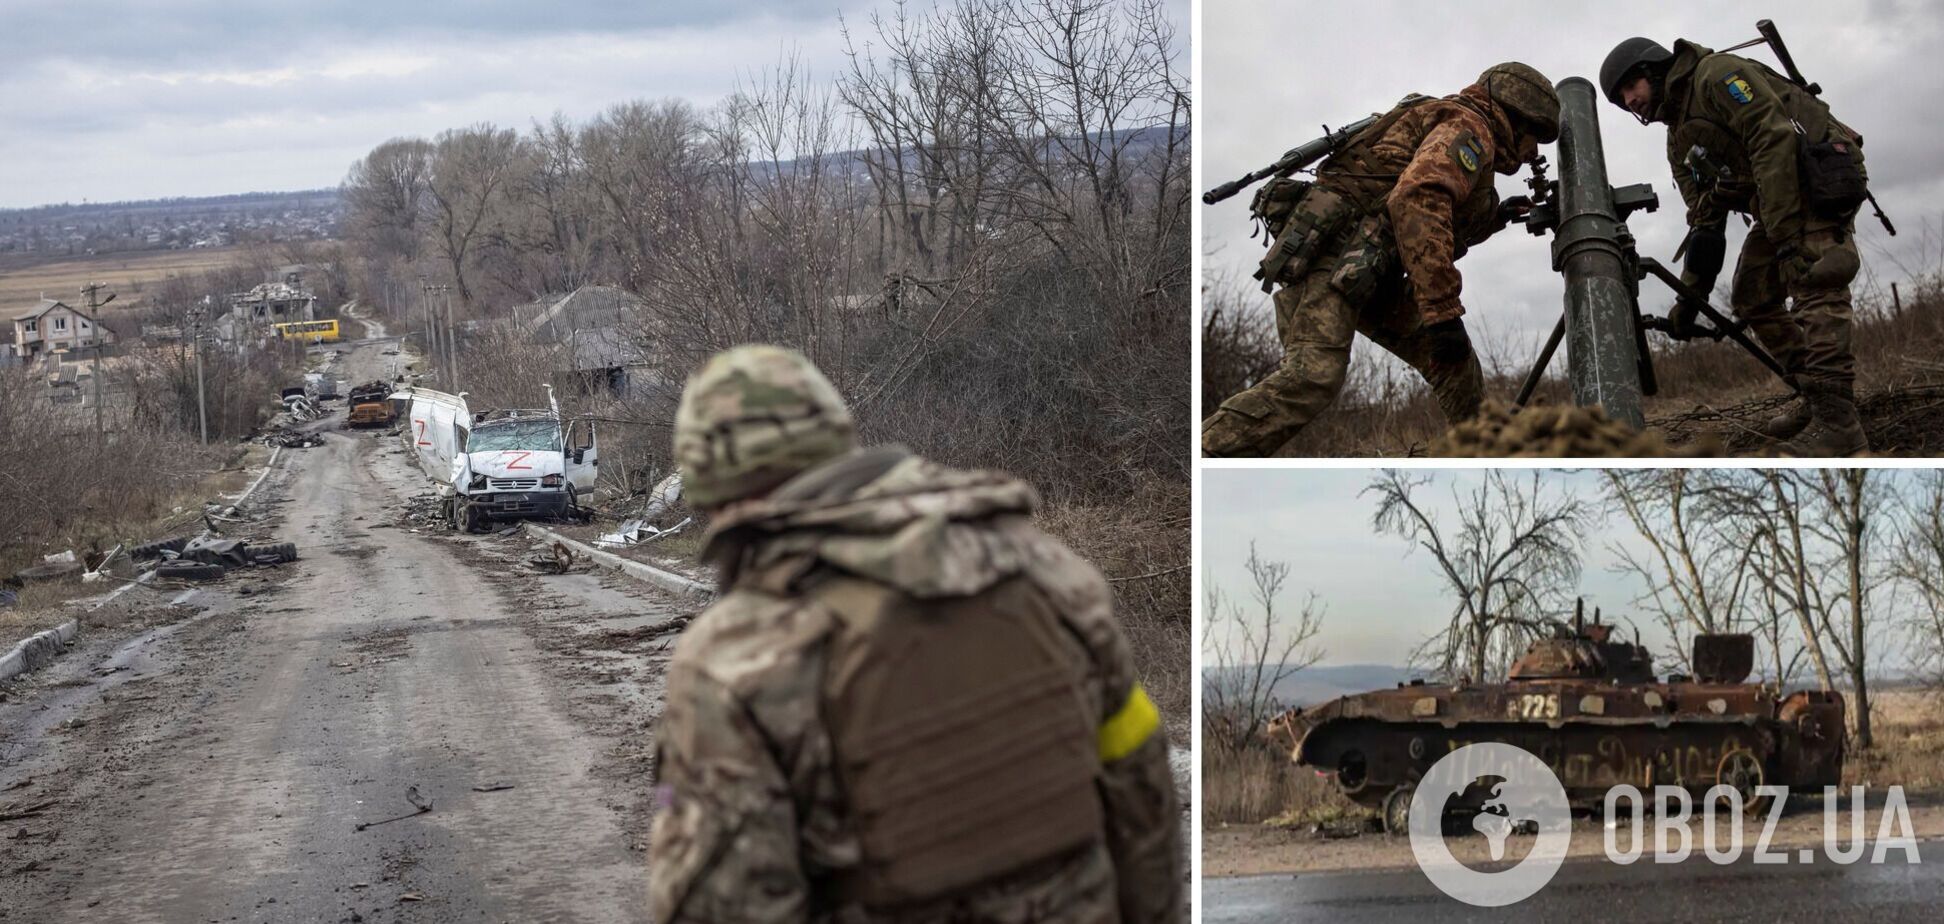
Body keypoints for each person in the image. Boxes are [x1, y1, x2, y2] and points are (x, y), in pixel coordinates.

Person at [648, 344, 1183, 923]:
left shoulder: (733, 658)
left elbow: (725, 904)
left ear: (714, 491)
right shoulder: (1048, 573)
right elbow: (1143, 797)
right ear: (837, 441)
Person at [1202, 62, 1560, 457]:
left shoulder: (1459, 129)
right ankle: (1208, 452)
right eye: (1536, 137)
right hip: (1336, 256)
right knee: (1313, 376)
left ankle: (1490, 456)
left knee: (1455, 365)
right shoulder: (1469, 127)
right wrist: (1442, 311)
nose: (1533, 152)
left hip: (1368, 266)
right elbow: (1418, 200)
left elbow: (1424, 210)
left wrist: (1496, 216)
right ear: (1517, 115)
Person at [1600, 37, 1871, 455]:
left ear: (1653, 69)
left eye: (1631, 86)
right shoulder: (1678, 142)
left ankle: (1840, 427)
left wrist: (1783, 236)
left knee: (1814, 277)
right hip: (1778, 204)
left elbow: (1773, 136)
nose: (1630, 100)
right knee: (1753, 296)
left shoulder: (1717, 75)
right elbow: (1705, 220)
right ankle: (1819, 400)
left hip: (1816, 180)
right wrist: (1689, 300)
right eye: (1621, 98)